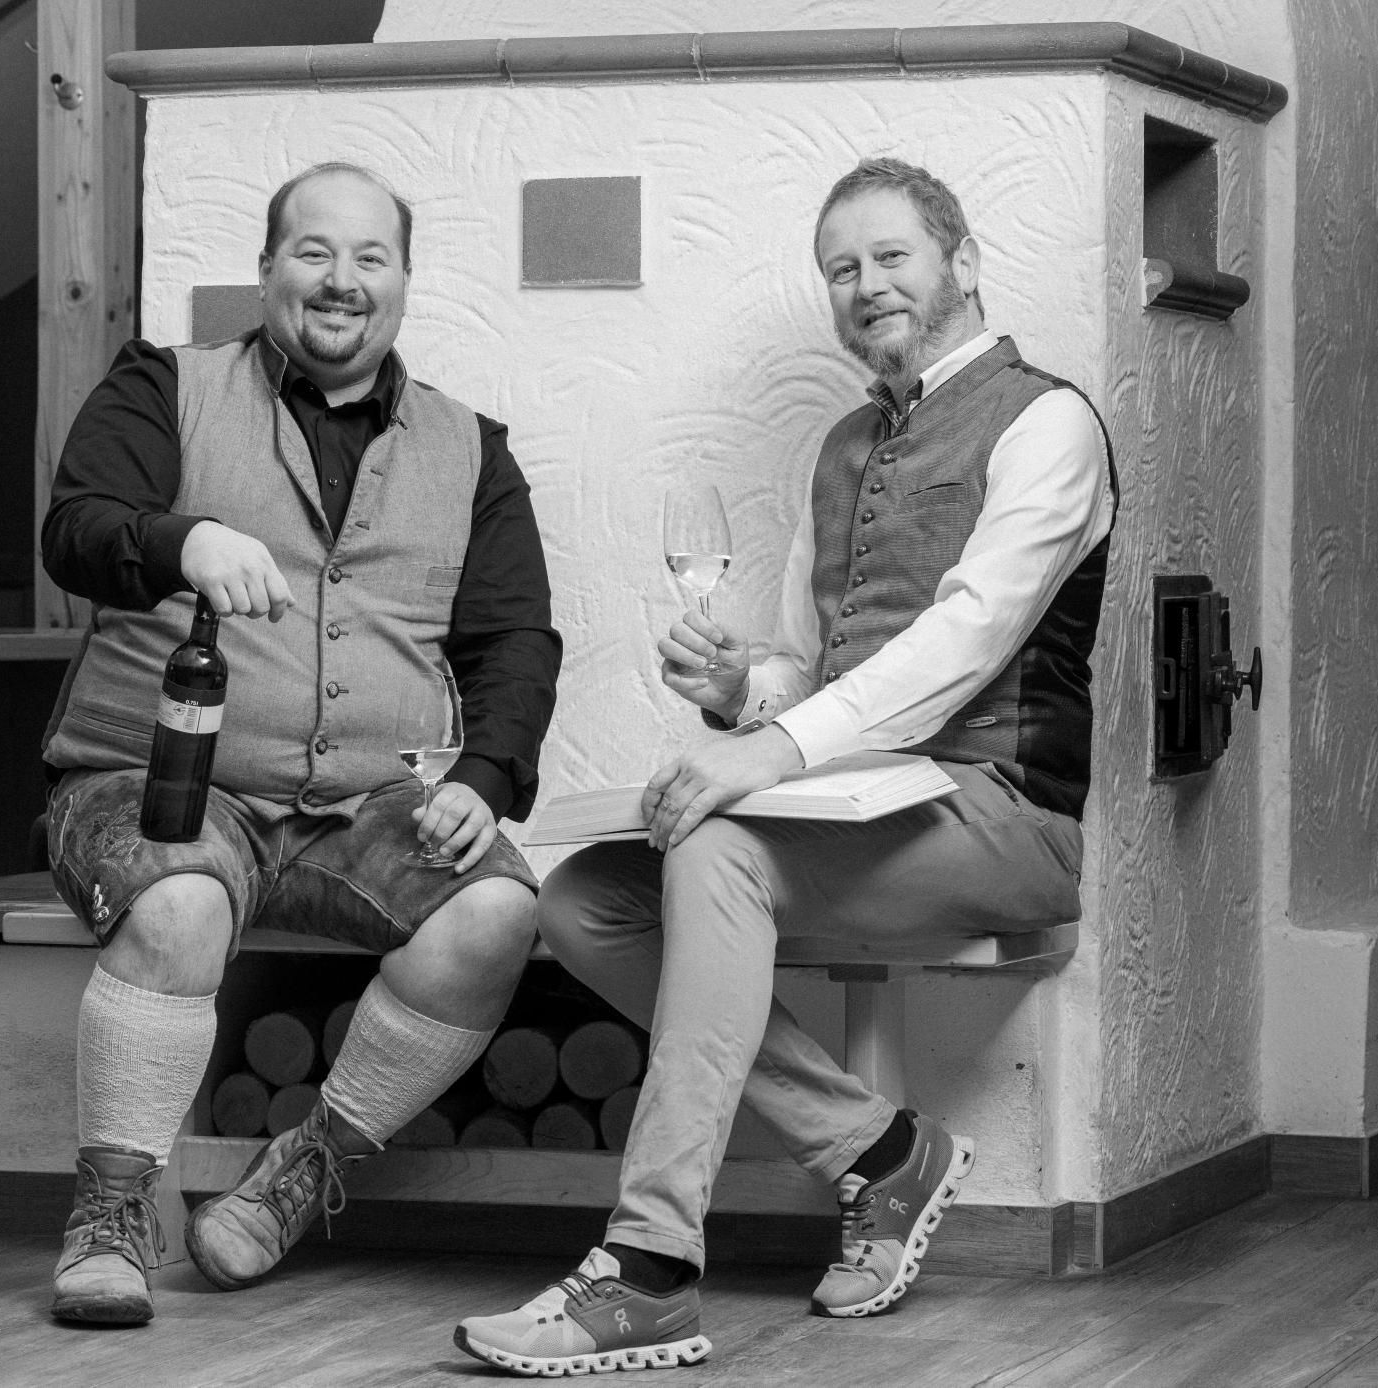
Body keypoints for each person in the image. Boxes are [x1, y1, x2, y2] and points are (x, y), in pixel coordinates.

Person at [455, 157, 1115, 1375]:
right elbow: (818, 674)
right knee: (587, 898)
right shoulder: (841, 446)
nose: (866, 286)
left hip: (1002, 810)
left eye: (891, 257)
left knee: (714, 847)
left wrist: (762, 749)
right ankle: (882, 1150)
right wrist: (741, 691)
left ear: (964, 263)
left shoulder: (1048, 421)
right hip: (853, 806)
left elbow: (964, 642)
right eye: (840, 269)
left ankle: (649, 1266)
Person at [38, 161, 561, 1326]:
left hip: (365, 803)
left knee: (497, 911)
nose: (340, 279)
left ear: (404, 281)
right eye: (313, 251)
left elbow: (514, 640)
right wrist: (180, 540)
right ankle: (111, 1215)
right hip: (158, 778)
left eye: (370, 256)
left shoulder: (472, 448)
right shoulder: (161, 385)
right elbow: (75, 528)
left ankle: (302, 1168)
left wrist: (486, 775)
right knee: (180, 904)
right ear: (268, 266)